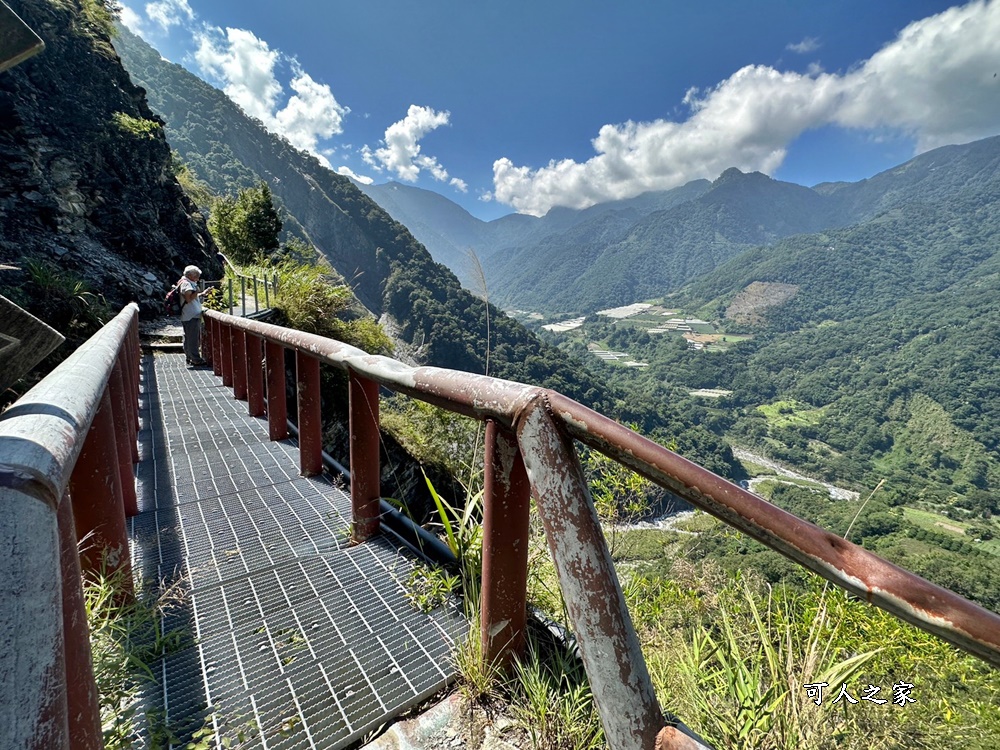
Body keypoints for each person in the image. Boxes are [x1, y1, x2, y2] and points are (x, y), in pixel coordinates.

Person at [178, 265, 207, 367]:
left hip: (189, 315)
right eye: (197, 276)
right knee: (193, 338)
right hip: (191, 315)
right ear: (190, 275)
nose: (198, 278)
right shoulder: (186, 284)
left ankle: (190, 357)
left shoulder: (184, 282)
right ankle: (195, 359)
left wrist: (201, 293)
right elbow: (188, 298)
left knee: (188, 337)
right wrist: (197, 291)